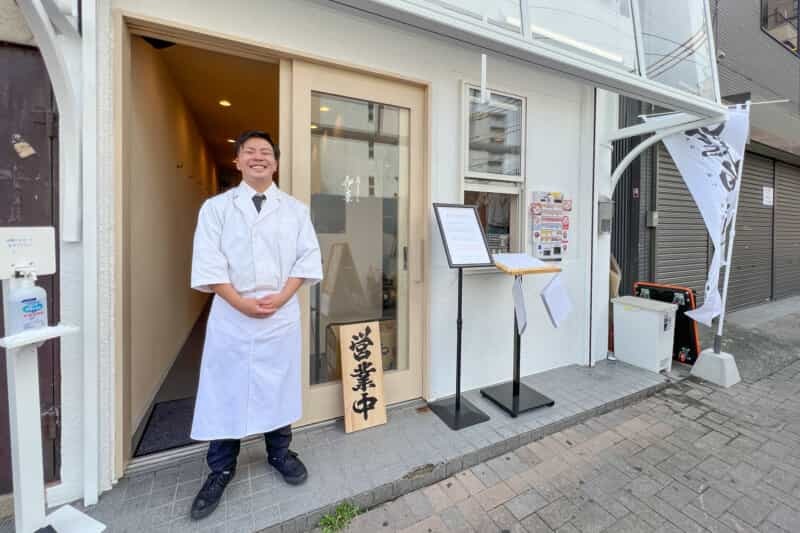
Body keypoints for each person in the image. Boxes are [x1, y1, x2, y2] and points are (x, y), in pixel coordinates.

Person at [188, 130, 322, 520]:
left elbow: (306, 260)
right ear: (238, 161)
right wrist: (239, 302)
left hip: (279, 315)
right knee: (224, 390)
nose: (259, 157)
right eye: (250, 152)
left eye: (266, 153)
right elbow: (209, 264)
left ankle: (280, 453)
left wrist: (281, 298)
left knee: (276, 386)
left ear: (276, 163)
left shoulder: (296, 210)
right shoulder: (215, 208)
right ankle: (220, 468)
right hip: (232, 315)